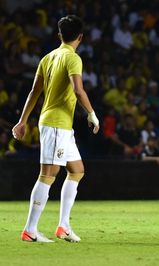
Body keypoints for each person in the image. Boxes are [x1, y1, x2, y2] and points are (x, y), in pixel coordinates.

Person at [12, 15, 100, 243]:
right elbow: (78, 90)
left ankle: (63, 226)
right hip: (56, 125)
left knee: (77, 170)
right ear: (80, 37)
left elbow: (34, 92)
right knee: (48, 175)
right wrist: (91, 114)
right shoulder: (73, 58)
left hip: (59, 125)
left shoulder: (48, 57)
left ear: (59, 35)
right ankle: (30, 230)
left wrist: (22, 121)